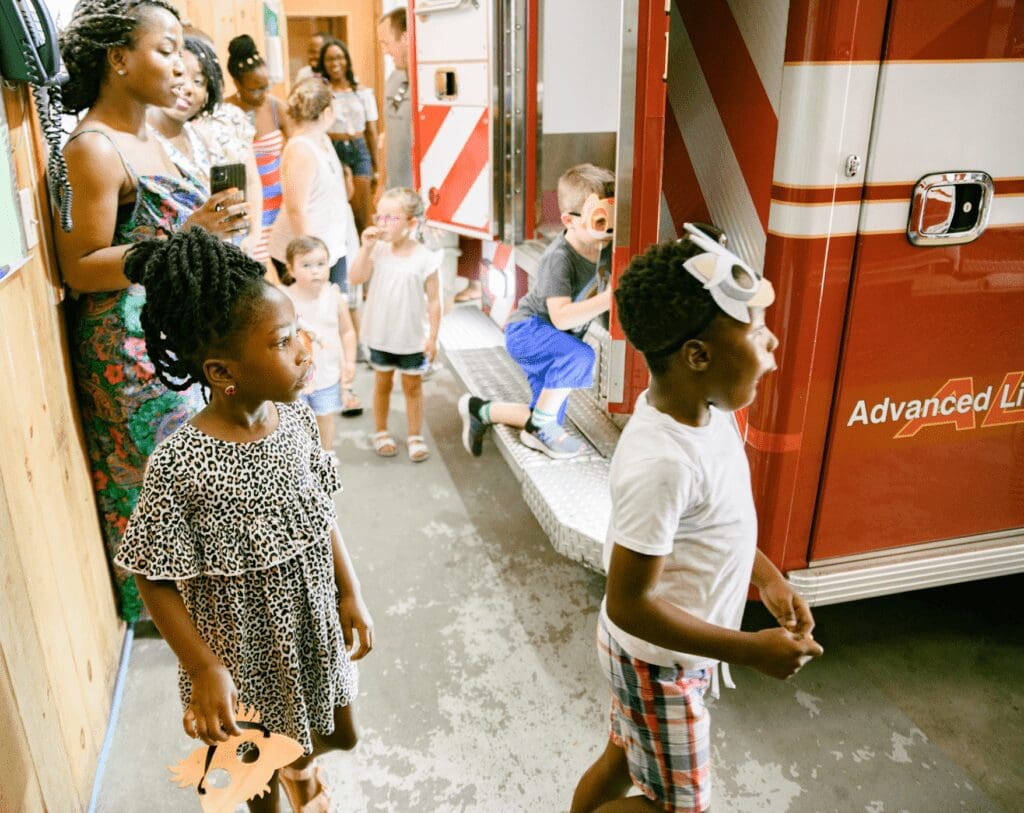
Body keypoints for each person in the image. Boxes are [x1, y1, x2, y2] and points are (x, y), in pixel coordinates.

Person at [113, 229, 374, 813]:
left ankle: (302, 776)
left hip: (307, 631)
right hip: (239, 658)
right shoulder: (180, 464)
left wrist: (349, 590)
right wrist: (203, 666)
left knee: (313, 734)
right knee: (252, 771)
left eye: (299, 333)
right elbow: (151, 577)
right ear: (222, 370)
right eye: (284, 342)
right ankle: (278, 791)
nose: (305, 349)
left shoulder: (298, 421)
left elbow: (319, 513)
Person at [569, 225, 825, 813]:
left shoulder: (703, 409)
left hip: (660, 655)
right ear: (698, 356)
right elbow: (627, 602)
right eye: (757, 334)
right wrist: (747, 649)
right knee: (677, 807)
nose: (773, 345)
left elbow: (719, 523)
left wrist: (766, 578)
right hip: (657, 662)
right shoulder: (663, 461)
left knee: (623, 757)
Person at [56, 0, 248, 621]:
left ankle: (206, 610)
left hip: (176, 335)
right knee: (158, 486)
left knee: (198, 483)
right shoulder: (93, 147)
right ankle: (172, 621)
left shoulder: (154, 131)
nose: (180, 62)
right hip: (131, 349)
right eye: (163, 49)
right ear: (118, 60)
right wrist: (184, 239)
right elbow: (79, 265)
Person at [457, 164, 614, 460]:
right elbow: (561, 317)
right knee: (582, 355)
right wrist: (610, 298)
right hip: (530, 331)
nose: (609, 229)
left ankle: (480, 410)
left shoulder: (604, 247)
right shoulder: (560, 258)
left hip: (554, 339)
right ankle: (538, 430)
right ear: (569, 220)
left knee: (544, 412)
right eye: (600, 220)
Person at [269, 76, 361, 370]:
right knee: (308, 321)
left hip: (330, 247)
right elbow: (296, 209)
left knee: (331, 316)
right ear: (325, 113)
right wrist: (307, 260)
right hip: (307, 252)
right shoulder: (299, 149)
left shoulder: (320, 141)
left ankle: (334, 378)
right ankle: (312, 383)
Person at [349, 188, 441, 462]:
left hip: (411, 337)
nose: (383, 224)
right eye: (380, 217)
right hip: (381, 334)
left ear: (411, 223)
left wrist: (433, 337)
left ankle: (415, 435)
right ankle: (381, 431)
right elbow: (355, 278)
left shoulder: (425, 258)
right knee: (382, 384)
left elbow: (434, 301)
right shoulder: (377, 250)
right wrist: (365, 248)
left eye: (392, 218)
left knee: (413, 387)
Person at [182, 32, 264, 254]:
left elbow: (252, 180)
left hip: (239, 236)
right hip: (195, 242)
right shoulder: (172, 127)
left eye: (198, 78)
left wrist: (255, 233)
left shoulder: (231, 117)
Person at [280, 235, 362, 453]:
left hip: (327, 373)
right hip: (294, 378)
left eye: (320, 264)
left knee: (325, 416)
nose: (315, 270)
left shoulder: (334, 296)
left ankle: (326, 455)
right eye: (306, 265)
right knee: (296, 420)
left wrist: (350, 362)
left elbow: (347, 332)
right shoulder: (284, 299)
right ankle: (301, 457)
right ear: (290, 268)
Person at [226, 34, 290, 265]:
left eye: (266, 87)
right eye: (254, 90)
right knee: (255, 266)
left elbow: (296, 150)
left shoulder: (276, 107)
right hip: (250, 207)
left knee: (286, 265)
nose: (262, 95)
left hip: (280, 204)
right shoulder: (226, 112)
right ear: (237, 84)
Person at [318, 38, 379, 234]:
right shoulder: (321, 93)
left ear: (347, 60)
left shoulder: (362, 92)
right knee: (338, 213)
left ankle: (366, 257)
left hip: (359, 149)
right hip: (332, 150)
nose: (335, 63)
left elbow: (371, 130)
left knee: (362, 214)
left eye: (339, 57)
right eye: (329, 59)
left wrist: (377, 167)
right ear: (323, 63)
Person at [377, 8, 411, 190]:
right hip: (393, 191)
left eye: (386, 43)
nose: (385, 51)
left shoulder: (428, 88)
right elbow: (387, 134)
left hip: (416, 194)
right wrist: (381, 185)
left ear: (406, 38)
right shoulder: (393, 80)